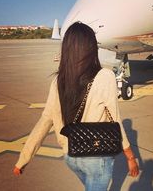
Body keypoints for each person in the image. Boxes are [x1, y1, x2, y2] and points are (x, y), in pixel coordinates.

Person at [13, 22, 139, 190]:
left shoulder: (58, 80)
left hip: (71, 156)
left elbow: (45, 120)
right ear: (91, 47)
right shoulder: (105, 76)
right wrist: (130, 157)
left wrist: (24, 158)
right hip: (97, 157)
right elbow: (115, 119)